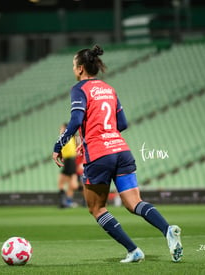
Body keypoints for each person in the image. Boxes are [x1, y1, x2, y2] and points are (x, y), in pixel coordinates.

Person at [52, 45, 183, 263]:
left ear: (81, 69)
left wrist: (59, 145)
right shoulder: (108, 89)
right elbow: (122, 123)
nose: (73, 70)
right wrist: (107, 134)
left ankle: (134, 250)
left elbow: (75, 120)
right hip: (122, 151)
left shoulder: (79, 89)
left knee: (96, 208)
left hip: (99, 153)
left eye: (74, 66)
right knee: (134, 203)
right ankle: (167, 230)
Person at [57, 123, 79, 208]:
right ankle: (67, 201)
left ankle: (65, 201)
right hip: (68, 160)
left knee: (66, 182)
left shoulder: (70, 136)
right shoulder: (65, 138)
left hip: (70, 160)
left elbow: (78, 144)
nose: (60, 130)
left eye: (62, 128)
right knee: (67, 182)